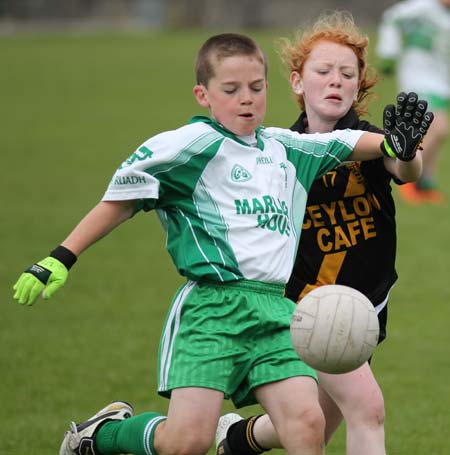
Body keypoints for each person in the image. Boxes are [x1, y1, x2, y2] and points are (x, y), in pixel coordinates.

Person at [12, 32, 430, 455]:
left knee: (307, 425)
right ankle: (100, 436)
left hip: (275, 310)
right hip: (213, 310)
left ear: (268, 88)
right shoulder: (185, 148)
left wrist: (395, 144)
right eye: (231, 90)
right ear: (203, 94)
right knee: (187, 441)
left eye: (254, 88)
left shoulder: (287, 148)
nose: (245, 99)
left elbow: (347, 143)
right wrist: (62, 256)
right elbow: (119, 202)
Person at [215, 12, 425, 455]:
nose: (336, 81)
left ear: (358, 85)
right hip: (309, 306)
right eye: (323, 71)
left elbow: (405, 168)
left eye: (347, 74)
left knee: (314, 425)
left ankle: (237, 439)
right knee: (368, 409)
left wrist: (405, 151)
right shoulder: (278, 150)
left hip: (366, 305)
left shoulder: (370, 140)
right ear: (296, 82)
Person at [377, 0, 450, 204]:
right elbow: (392, 18)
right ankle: (408, 177)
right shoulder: (422, 7)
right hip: (418, 77)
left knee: (436, 133)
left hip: (441, 81)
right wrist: (388, 53)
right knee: (439, 128)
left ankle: (424, 184)